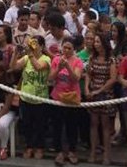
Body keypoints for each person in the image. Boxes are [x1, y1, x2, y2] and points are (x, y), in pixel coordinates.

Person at [11, 35, 50, 160]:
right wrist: (15, 53)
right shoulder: (27, 57)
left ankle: (39, 147)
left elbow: (38, 67)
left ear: (42, 46)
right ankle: (29, 147)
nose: (33, 45)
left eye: (36, 43)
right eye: (32, 43)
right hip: (25, 97)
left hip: (40, 99)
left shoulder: (46, 59)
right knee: (27, 124)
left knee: (40, 125)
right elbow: (14, 67)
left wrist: (30, 54)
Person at [50, 37, 84, 165]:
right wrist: (58, 68)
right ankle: (59, 152)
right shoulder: (56, 59)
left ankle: (72, 151)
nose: (67, 50)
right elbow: (50, 78)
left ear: (74, 49)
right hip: (57, 98)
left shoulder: (78, 62)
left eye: (69, 48)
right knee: (57, 125)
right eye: (65, 47)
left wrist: (68, 67)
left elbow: (76, 78)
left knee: (72, 126)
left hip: (72, 98)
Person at [84, 33, 117, 165]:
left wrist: (100, 90)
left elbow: (113, 78)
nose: (95, 44)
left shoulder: (111, 60)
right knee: (93, 123)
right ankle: (92, 152)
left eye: (98, 42)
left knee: (105, 125)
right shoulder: (93, 57)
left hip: (105, 94)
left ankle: (106, 155)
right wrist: (87, 88)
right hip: (92, 93)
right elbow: (88, 74)